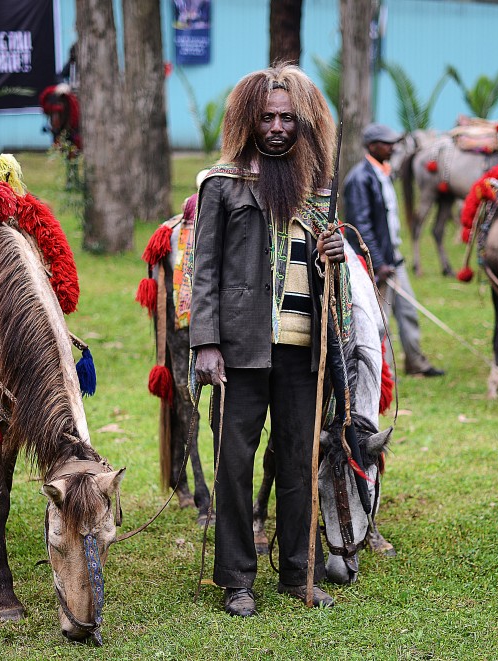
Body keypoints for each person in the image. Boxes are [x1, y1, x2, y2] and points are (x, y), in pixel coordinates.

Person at [190, 64, 344, 617]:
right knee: (235, 461)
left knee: (300, 461)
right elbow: (203, 270)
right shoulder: (223, 184)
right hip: (240, 349)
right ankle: (236, 579)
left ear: (303, 124)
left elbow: (332, 282)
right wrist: (206, 343)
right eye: (267, 118)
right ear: (248, 122)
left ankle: (300, 572)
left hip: (304, 350)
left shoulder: (317, 191)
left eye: (288, 119)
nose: (277, 127)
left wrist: (333, 261)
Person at [342, 122, 445, 378]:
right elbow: (360, 225)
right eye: (387, 143)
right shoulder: (359, 178)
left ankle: (415, 362)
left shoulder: (385, 173)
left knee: (408, 312)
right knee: (380, 320)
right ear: (372, 146)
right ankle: (382, 371)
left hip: (393, 259)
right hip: (377, 264)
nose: (392, 147)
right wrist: (377, 262)